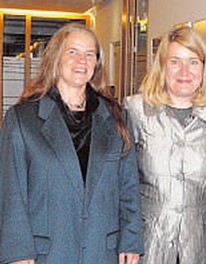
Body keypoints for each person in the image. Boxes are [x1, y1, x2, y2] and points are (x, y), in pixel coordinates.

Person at [0, 23, 143, 264]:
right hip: (47, 254)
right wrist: (18, 254)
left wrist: (130, 240)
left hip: (103, 251)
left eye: (90, 54)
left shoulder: (115, 116)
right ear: (56, 57)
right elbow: (11, 194)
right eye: (73, 51)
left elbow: (128, 186)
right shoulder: (22, 119)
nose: (82, 60)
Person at [123, 26, 206, 264]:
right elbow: (118, 182)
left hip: (203, 243)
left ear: (204, 67)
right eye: (175, 61)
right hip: (149, 242)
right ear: (162, 67)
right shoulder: (135, 110)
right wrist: (125, 238)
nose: (184, 71)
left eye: (193, 62)